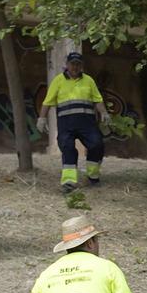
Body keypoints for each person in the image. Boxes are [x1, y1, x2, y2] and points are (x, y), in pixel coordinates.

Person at [39, 50, 109, 193]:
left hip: (87, 123)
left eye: (78, 64)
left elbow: (98, 100)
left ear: (81, 66)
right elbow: (47, 102)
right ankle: (69, 182)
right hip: (66, 125)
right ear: (67, 65)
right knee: (68, 148)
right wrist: (42, 118)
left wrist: (104, 113)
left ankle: (93, 175)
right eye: (72, 64)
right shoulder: (58, 80)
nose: (75, 67)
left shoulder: (88, 80)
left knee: (97, 145)